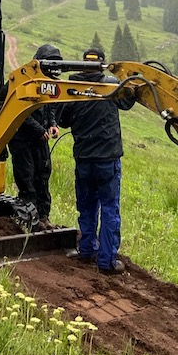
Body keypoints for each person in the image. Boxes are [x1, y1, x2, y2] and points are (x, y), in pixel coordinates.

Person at [58, 47, 137, 274]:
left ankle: (86, 251)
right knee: (110, 208)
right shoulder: (111, 85)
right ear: (101, 64)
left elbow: (63, 121)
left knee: (87, 206)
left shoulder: (72, 88)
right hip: (108, 160)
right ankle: (106, 262)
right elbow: (127, 102)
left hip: (84, 159)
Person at [9, 43, 62, 230]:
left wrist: (52, 125)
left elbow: (51, 108)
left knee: (43, 178)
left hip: (41, 140)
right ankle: (30, 221)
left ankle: (44, 216)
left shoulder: (50, 83)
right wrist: (40, 130)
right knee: (27, 179)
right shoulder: (25, 81)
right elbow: (21, 113)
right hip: (22, 140)